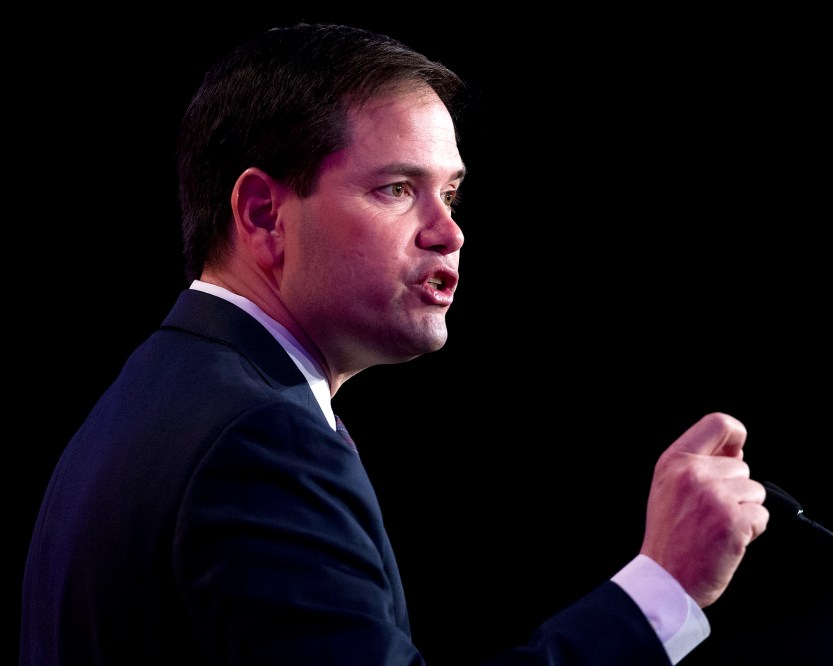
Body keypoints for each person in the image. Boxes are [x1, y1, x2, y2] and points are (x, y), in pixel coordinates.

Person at [20, 22, 769, 665]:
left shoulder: (152, 395)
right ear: (261, 213)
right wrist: (663, 589)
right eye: (396, 189)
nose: (450, 233)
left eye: (449, 192)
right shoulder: (260, 438)